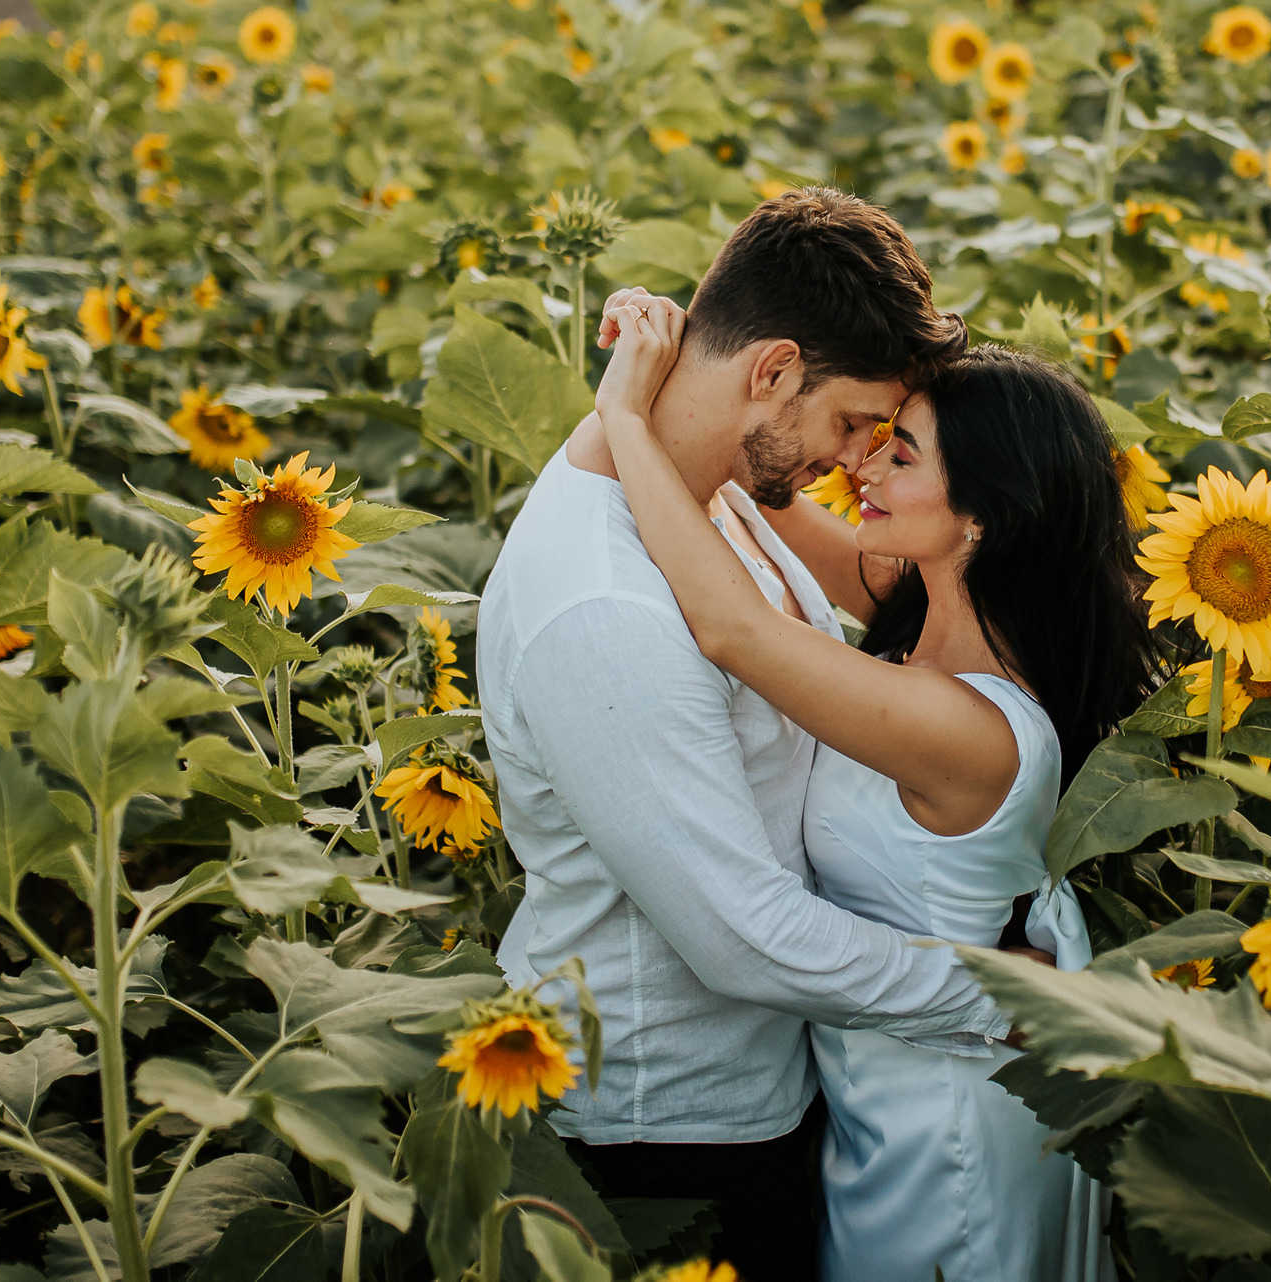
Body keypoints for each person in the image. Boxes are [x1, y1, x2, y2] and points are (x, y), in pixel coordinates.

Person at [476, 188, 1036, 1280]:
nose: (847, 459)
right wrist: (999, 993)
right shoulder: (603, 601)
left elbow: (873, 607)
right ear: (771, 370)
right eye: (845, 425)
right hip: (663, 1134)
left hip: (768, 1092)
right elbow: (738, 934)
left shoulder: (712, 495)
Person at [592, 289, 1160, 1281]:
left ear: (982, 517)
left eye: (902, 456)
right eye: (876, 440)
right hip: (881, 1087)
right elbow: (755, 482)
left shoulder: (970, 727)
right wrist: (692, 347)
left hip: (953, 1125)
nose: (862, 466)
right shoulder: (919, 603)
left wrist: (625, 417)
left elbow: (735, 629)